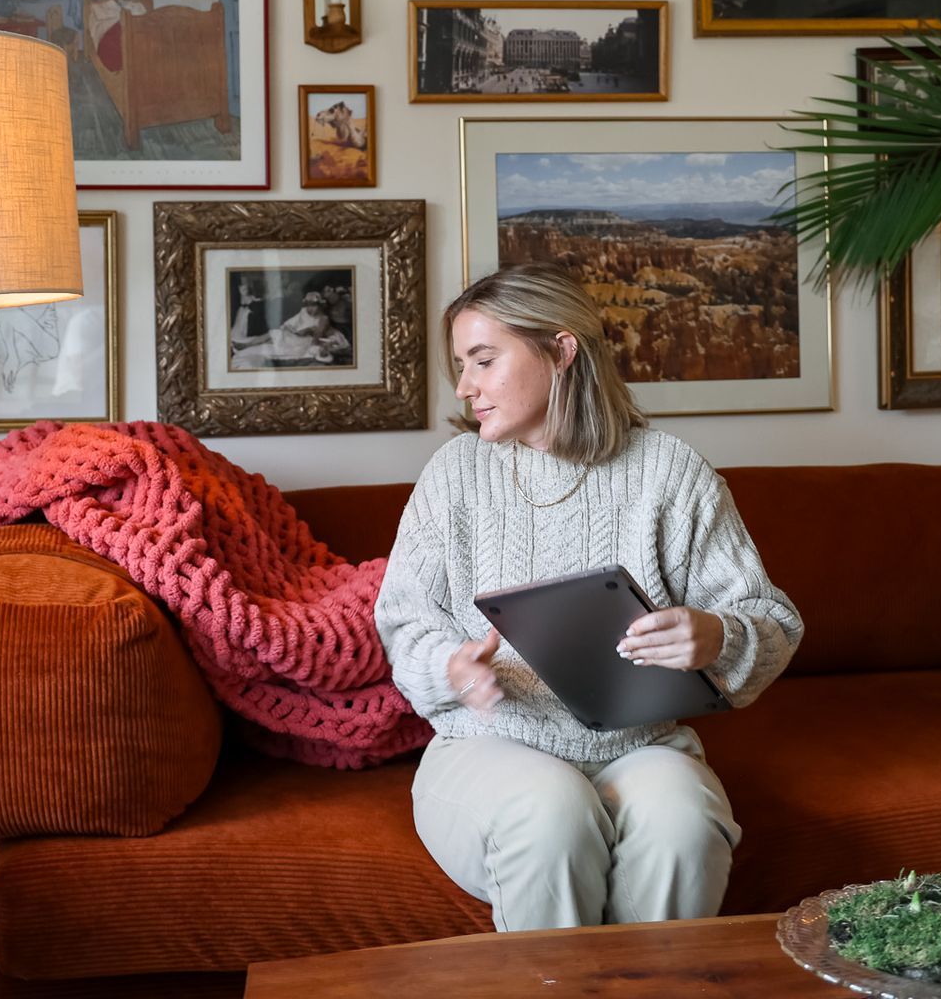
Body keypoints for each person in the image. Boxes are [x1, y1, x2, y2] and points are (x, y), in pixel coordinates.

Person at [375, 262, 804, 931]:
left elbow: (773, 621)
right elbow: (403, 622)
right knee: (552, 810)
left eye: (483, 361)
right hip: (484, 746)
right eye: (462, 365)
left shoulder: (669, 471)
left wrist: (717, 635)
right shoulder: (455, 474)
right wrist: (450, 669)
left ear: (561, 349)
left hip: (641, 747)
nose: (464, 387)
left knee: (684, 822)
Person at [230, 286, 352, 369]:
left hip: (311, 341)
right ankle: (247, 345)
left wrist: (306, 332)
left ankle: (248, 345)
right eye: (308, 305)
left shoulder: (323, 318)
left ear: (320, 305)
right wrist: (289, 328)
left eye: (313, 306)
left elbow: (317, 336)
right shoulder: (304, 311)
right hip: (299, 336)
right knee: (277, 332)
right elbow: (292, 322)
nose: (310, 309)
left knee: (277, 335)